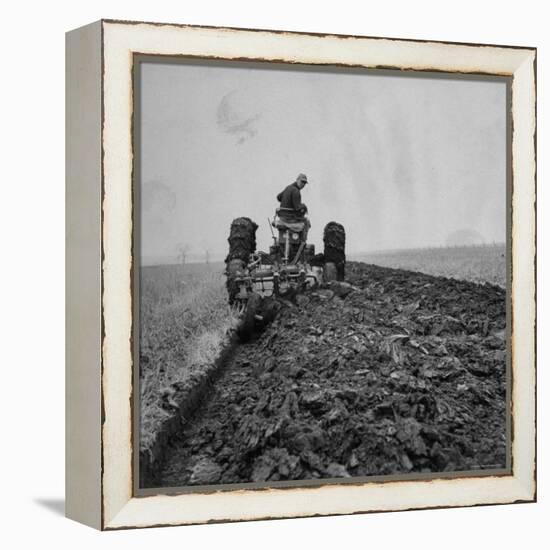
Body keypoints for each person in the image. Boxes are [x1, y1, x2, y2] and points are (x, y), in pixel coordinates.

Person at [276, 173, 311, 240]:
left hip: (282, 217)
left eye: (304, 183)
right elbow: (297, 208)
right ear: (297, 180)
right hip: (290, 219)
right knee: (306, 222)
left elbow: (278, 197)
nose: (303, 184)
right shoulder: (296, 191)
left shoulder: (288, 187)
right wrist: (304, 206)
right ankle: (302, 241)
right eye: (302, 181)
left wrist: (287, 199)